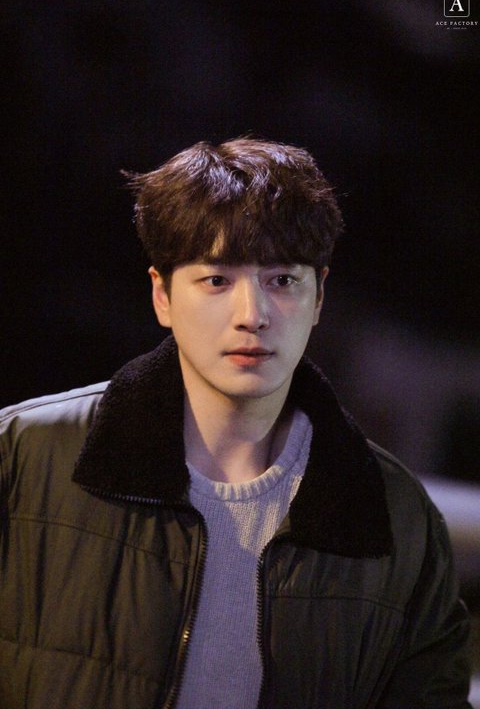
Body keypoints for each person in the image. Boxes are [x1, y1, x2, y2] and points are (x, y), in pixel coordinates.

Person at [0, 138, 472, 709]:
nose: (252, 315)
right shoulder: (26, 455)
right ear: (162, 295)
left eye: (282, 280)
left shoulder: (394, 511)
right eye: (217, 280)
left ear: (320, 297)